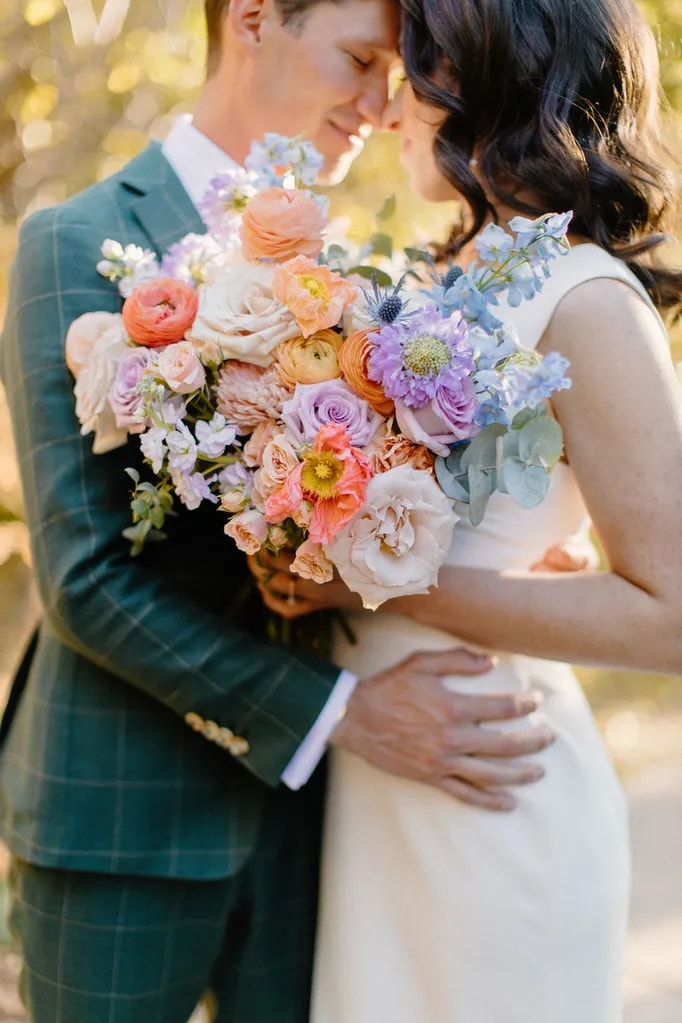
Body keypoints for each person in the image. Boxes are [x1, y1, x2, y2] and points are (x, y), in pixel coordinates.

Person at [0, 0, 558, 1020]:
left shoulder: (368, 277)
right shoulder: (73, 240)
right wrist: (343, 716)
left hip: (319, 831)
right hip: (122, 817)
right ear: (254, 19)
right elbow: (83, 579)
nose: (381, 103)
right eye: (360, 60)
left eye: (396, 77)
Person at [252, 0, 682, 1019]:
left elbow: (671, 614)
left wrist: (384, 580)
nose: (391, 105)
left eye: (416, 73)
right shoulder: (459, 273)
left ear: (491, 82)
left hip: (493, 797)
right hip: (388, 787)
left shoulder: (585, 297)